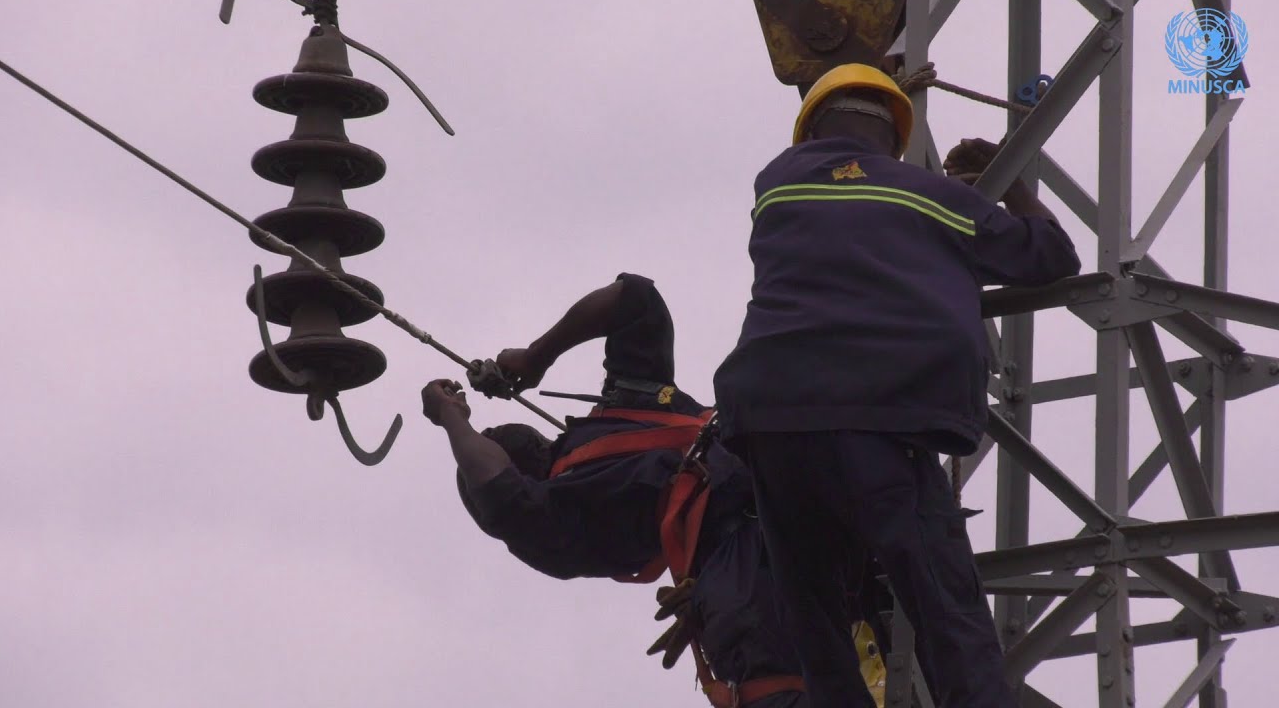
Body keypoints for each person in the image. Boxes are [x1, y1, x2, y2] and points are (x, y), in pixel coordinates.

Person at [712, 63, 1082, 708]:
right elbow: (1048, 257)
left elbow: (863, 220)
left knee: (815, 620)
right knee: (945, 613)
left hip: (770, 416)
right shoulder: (935, 200)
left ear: (808, 136)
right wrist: (1009, 185)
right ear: (896, 137)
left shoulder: (774, 185)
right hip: (877, 415)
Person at [421, 274, 889, 707]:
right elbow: (501, 496)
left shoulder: (611, 427)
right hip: (776, 520)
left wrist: (534, 359)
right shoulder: (562, 509)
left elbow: (635, 299)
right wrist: (457, 421)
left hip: (783, 501)